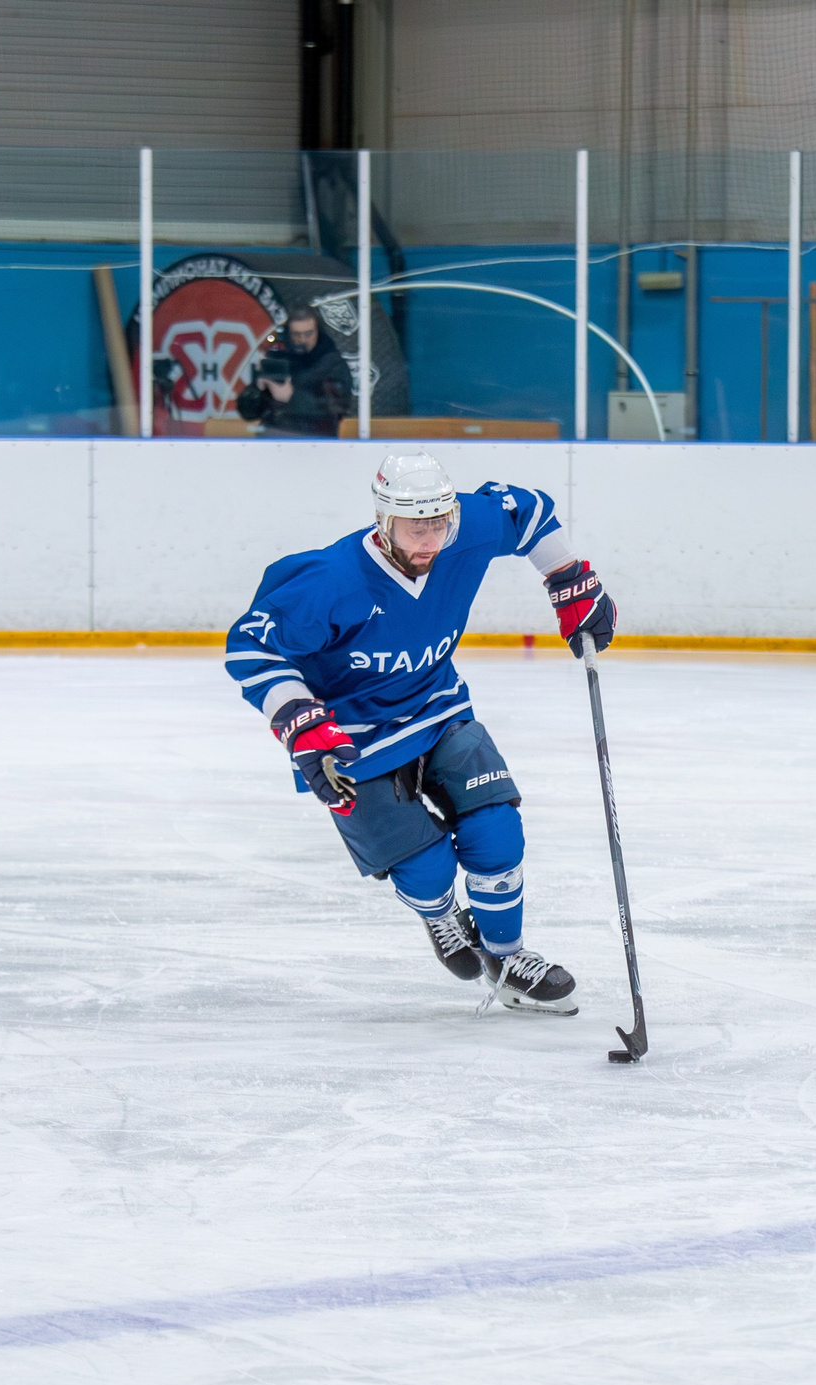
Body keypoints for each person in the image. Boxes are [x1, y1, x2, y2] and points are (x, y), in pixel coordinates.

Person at [224, 453, 618, 1012]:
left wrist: (568, 574)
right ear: (383, 521)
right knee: (428, 870)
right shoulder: (331, 581)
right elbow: (252, 647)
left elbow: (525, 511)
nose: (432, 540)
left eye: (440, 523)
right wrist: (299, 722)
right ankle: (440, 915)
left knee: (497, 832)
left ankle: (507, 960)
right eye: (416, 528)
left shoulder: (463, 530)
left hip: (437, 707)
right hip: (351, 738)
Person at [234, 307, 353, 438]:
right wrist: (256, 391)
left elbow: (337, 408)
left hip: (316, 441)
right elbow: (249, 413)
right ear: (289, 334)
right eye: (296, 334)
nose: (302, 339)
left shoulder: (333, 364)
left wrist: (291, 398)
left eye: (308, 334)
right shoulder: (278, 358)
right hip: (273, 437)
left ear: (318, 332)